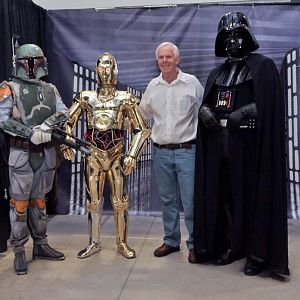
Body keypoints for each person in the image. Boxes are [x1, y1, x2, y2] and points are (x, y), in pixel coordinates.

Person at [193, 12, 289, 278]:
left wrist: (246, 112)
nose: (232, 41)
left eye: (237, 35)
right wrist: (204, 112)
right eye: (227, 36)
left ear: (247, 36)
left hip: (250, 148)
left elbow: (270, 105)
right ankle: (231, 246)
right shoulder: (217, 72)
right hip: (219, 148)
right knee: (224, 198)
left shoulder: (263, 66)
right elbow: (209, 103)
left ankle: (257, 253)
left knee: (253, 196)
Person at [62, 52, 150, 259]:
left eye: (109, 65)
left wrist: (132, 155)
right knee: (93, 201)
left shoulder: (125, 98)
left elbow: (142, 129)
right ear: (96, 69)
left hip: (117, 154)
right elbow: (67, 121)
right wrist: (67, 142)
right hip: (92, 153)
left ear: (116, 70)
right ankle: (94, 242)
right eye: (101, 66)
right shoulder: (86, 97)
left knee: (120, 202)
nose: (105, 70)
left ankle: (121, 242)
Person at [0, 44, 68, 275]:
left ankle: (40, 244)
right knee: (19, 205)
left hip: (46, 152)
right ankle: (19, 250)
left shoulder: (50, 88)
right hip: (22, 152)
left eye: (36, 60)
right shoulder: (9, 87)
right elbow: (2, 119)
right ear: (19, 62)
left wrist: (48, 125)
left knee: (40, 201)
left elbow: (64, 112)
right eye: (29, 61)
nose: (33, 65)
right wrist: (30, 133)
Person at [139, 42, 204, 263]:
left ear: (177, 59)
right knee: (167, 200)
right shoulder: (153, 86)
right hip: (160, 153)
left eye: (168, 57)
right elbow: (143, 113)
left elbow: (204, 111)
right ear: (157, 61)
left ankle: (196, 244)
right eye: (161, 57)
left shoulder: (191, 83)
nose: (164, 61)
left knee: (191, 201)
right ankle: (171, 241)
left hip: (187, 151)